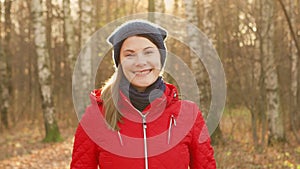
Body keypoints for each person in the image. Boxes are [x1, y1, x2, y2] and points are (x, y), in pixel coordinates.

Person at [70, 20, 216, 169]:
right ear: (119, 63)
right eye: (129, 55)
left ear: (160, 57)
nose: (140, 62)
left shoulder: (188, 114)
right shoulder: (95, 116)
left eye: (148, 52)